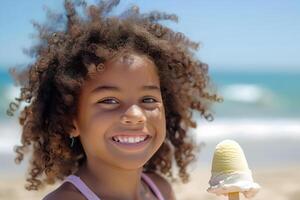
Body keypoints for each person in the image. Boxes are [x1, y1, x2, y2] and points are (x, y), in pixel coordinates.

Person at [8, 0, 221, 199]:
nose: (136, 116)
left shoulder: (160, 190)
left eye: (148, 99)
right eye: (109, 101)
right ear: (71, 121)